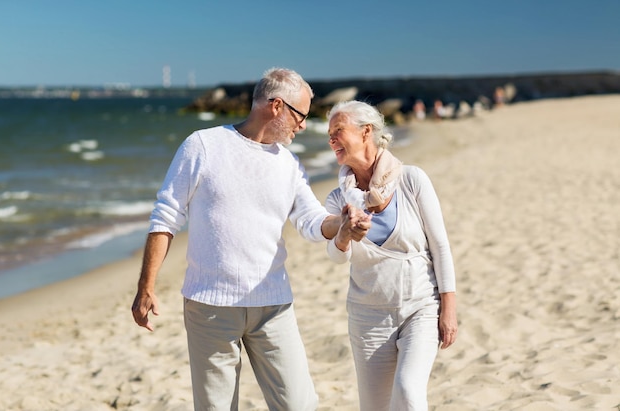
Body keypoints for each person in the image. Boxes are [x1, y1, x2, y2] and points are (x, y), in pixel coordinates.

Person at [131, 68, 369, 411]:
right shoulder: (203, 145)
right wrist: (146, 286)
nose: (303, 126)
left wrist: (343, 224)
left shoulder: (288, 163)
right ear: (276, 106)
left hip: (273, 305)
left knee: (299, 404)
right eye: (300, 115)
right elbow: (166, 216)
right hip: (210, 306)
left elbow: (311, 219)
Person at [325, 100, 458, 410]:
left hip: (421, 309)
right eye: (329, 134)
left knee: (409, 393)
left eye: (338, 131)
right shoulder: (338, 200)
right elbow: (336, 257)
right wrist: (344, 230)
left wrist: (448, 308)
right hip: (368, 318)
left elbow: (440, 247)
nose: (330, 139)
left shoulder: (411, 180)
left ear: (366, 132)